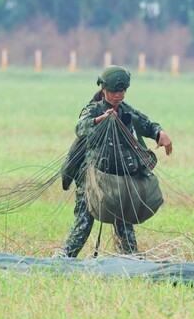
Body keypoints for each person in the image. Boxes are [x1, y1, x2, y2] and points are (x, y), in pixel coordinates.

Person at [61, 65, 173, 258]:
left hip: (119, 176)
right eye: (113, 91)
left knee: (123, 218)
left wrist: (159, 133)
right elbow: (80, 127)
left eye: (122, 91)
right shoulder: (93, 109)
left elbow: (146, 124)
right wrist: (99, 120)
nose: (118, 95)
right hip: (92, 175)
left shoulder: (126, 111)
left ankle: (130, 259)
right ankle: (64, 259)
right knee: (85, 220)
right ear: (103, 89)